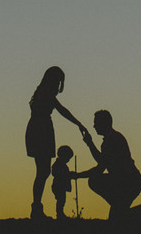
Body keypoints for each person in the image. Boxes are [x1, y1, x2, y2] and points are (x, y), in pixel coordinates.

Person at [25, 66, 87, 219]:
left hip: (41, 129)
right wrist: (79, 124)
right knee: (42, 172)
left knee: (43, 171)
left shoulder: (42, 92)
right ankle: (36, 209)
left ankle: (37, 208)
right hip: (41, 131)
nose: (59, 83)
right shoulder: (45, 93)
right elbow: (62, 110)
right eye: (58, 80)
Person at [76, 109, 141, 219]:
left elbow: (100, 166)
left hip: (128, 182)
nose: (94, 126)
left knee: (94, 181)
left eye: (96, 123)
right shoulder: (110, 139)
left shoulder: (113, 139)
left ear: (104, 123)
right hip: (125, 181)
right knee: (118, 219)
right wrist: (90, 144)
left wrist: (76, 175)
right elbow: (102, 163)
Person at [50, 145, 74, 219]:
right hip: (58, 185)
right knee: (61, 199)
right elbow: (54, 173)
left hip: (61, 186)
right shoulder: (58, 164)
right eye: (68, 158)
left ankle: (60, 212)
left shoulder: (63, 165)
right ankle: (59, 213)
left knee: (62, 200)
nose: (68, 160)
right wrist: (66, 174)